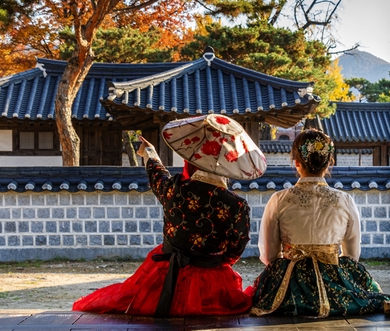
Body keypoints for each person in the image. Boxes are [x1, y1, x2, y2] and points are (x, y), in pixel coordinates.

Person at [73, 133, 254, 317]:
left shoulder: (175, 188)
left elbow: (157, 173)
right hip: (212, 281)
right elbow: (237, 247)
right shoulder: (237, 205)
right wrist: (215, 260)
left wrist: (150, 152)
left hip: (162, 274)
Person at [247, 129, 389, 317]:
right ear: (330, 162)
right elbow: (352, 256)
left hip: (289, 287)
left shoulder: (279, 199)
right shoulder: (345, 200)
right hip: (335, 287)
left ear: (297, 162)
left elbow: (270, 256)